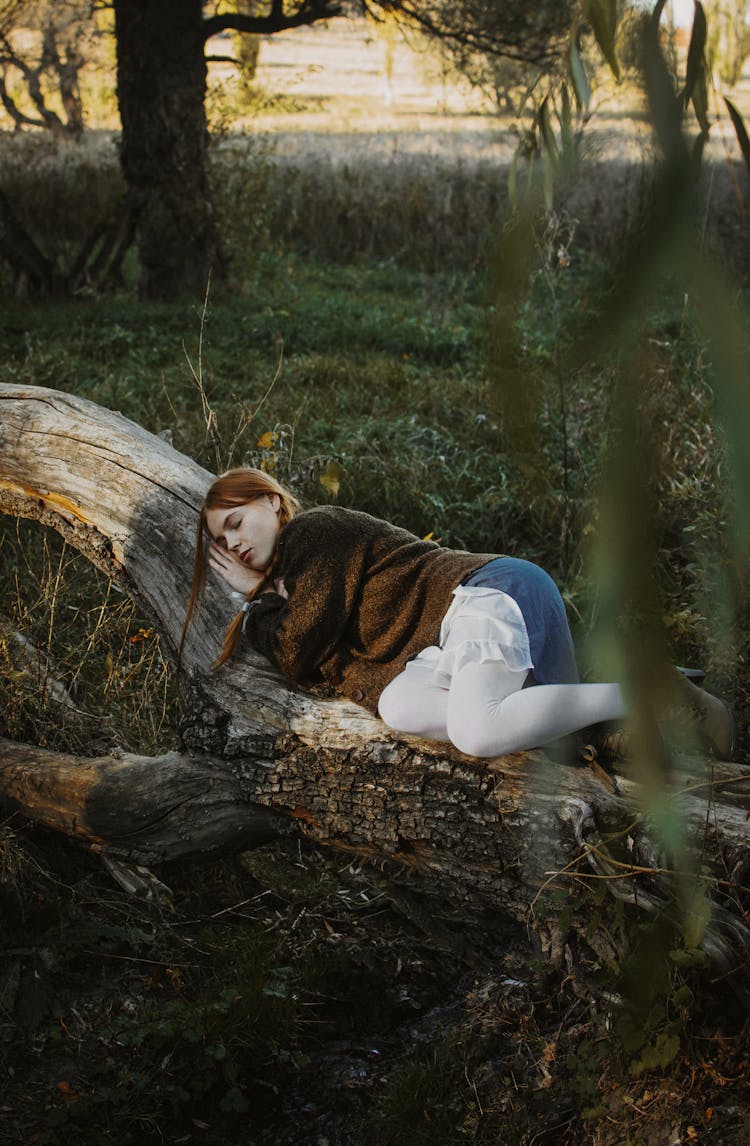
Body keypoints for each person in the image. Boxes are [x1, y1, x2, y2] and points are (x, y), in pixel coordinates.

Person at [181, 467, 735, 760]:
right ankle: (599, 729)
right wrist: (268, 595)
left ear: (273, 503)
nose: (234, 545)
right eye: (221, 543)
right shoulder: (290, 579)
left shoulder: (312, 532)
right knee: (397, 705)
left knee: (476, 729)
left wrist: (254, 598)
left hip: (488, 590)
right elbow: (318, 657)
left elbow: (299, 647)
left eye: (236, 523)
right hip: (443, 641)